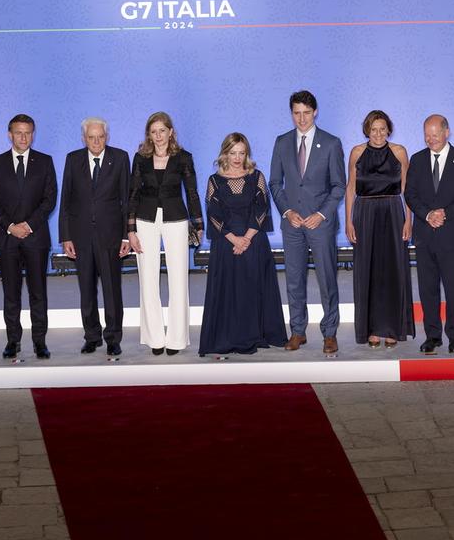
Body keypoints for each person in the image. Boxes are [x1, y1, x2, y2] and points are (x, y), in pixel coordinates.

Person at [269, 90, 346, 356]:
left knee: (327, 279)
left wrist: (321, 214)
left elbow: (339, 186)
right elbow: (275, 184)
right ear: (291, 113)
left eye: (306, 113)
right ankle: (298, 331)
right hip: (292, 224)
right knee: (293, 279)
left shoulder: (331, 143)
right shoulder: (281, 142)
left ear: (315, 112)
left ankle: (330, 333)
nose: (301, 119)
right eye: (296, 113)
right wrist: (287, 211)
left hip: (320, 224)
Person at [199, 133, 287, 356]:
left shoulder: (256, 176)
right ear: (225, 153)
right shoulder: (214, 180)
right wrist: (233, 239)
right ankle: (227, 337)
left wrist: (246, 238)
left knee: (251, 289)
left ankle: (253, 335)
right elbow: (213, 215)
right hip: (225, 244)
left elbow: (262, 210)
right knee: (228, 291)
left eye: (241, 153)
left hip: (254, 242)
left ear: (247, 153)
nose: (237, 158)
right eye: (233, 153)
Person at [128, 111, 203, 355]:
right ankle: (155, 338)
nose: (158, 135)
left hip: (176, 219)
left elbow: (192, 193)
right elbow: (133, 194)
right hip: (145, 220)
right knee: (147, 279)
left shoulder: (184, 158)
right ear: (148, 135)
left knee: (178, 278)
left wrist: (199, 224)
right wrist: (130, 230)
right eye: (153, 131)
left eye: (162, 130)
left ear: (171, 131)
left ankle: (177, 339)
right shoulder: (140, 158)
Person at [0, 114, 57, 359]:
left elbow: (50, 199)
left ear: (33, 134)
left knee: (38, 293)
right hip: (7, 239)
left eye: (28, 132)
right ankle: (12, 341)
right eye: (19, 132)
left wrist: (28, 224)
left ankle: (40, 342)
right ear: (10, 134)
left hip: (36, 238)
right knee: (11, 293)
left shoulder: (45, 162)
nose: (23, 137)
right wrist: (10, 226)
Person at [405, 114, 454, 354]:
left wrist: (444, 213)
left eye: (435, 134)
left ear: (447, 132)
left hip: (452, 237)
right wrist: (427, 215)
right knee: (427, 289)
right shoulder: (417, 160)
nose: (430, 139)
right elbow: (410, 194)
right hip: (425, 236)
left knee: (453, 290)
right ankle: (432, 336)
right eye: (426, 134)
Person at [59, 117, 130, 357]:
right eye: (91, 137)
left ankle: (113, 337)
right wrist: (65, 236)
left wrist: (126, 237)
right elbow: (65, 201)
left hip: (110, 236)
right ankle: (92, 336)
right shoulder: (72, 159)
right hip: (80, 237)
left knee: (112, 290)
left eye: (100, 137)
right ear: (84, 138)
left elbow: (126, 201)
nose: (96, 141)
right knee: (86, 290)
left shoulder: (120, 158)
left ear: (107, 137)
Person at [345, 111, 414, 349]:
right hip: (364, 214)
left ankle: (393, 328)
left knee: (393, 270)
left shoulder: (399, 152)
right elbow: (350, 189)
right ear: (367, 130)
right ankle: (372, 329)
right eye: (373, 129)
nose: (378, 134)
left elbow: (407, 189)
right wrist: (348, 221)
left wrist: (408, 220)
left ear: (389, 130)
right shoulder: (356, 152)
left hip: (394, 212)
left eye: (382, 129)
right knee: (368, 270)